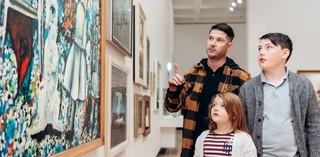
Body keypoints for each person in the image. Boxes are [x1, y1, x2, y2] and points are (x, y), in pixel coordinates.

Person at [165, 23, 251, 157]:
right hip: (192, 146)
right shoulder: (192, 74)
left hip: (224, 149)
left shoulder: (241, 77)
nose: (213, 43)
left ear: (229, 46)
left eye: (219, 40)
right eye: (210, 38)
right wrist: (173, 89)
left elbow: (247, 117)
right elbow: (172, 107)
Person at [238, 33, 320, 157]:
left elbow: (314, 125)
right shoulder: (248, 88)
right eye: (259, 48)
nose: (261, 52)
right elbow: (240, 127)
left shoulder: (303, 85)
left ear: (285, 53)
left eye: (268, 47)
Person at [194, 92, 257, 157]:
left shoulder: (244, 139)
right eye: (214, 105)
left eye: (222, 106)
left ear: (234, 115)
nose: (215, 108)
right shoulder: (203, 137)